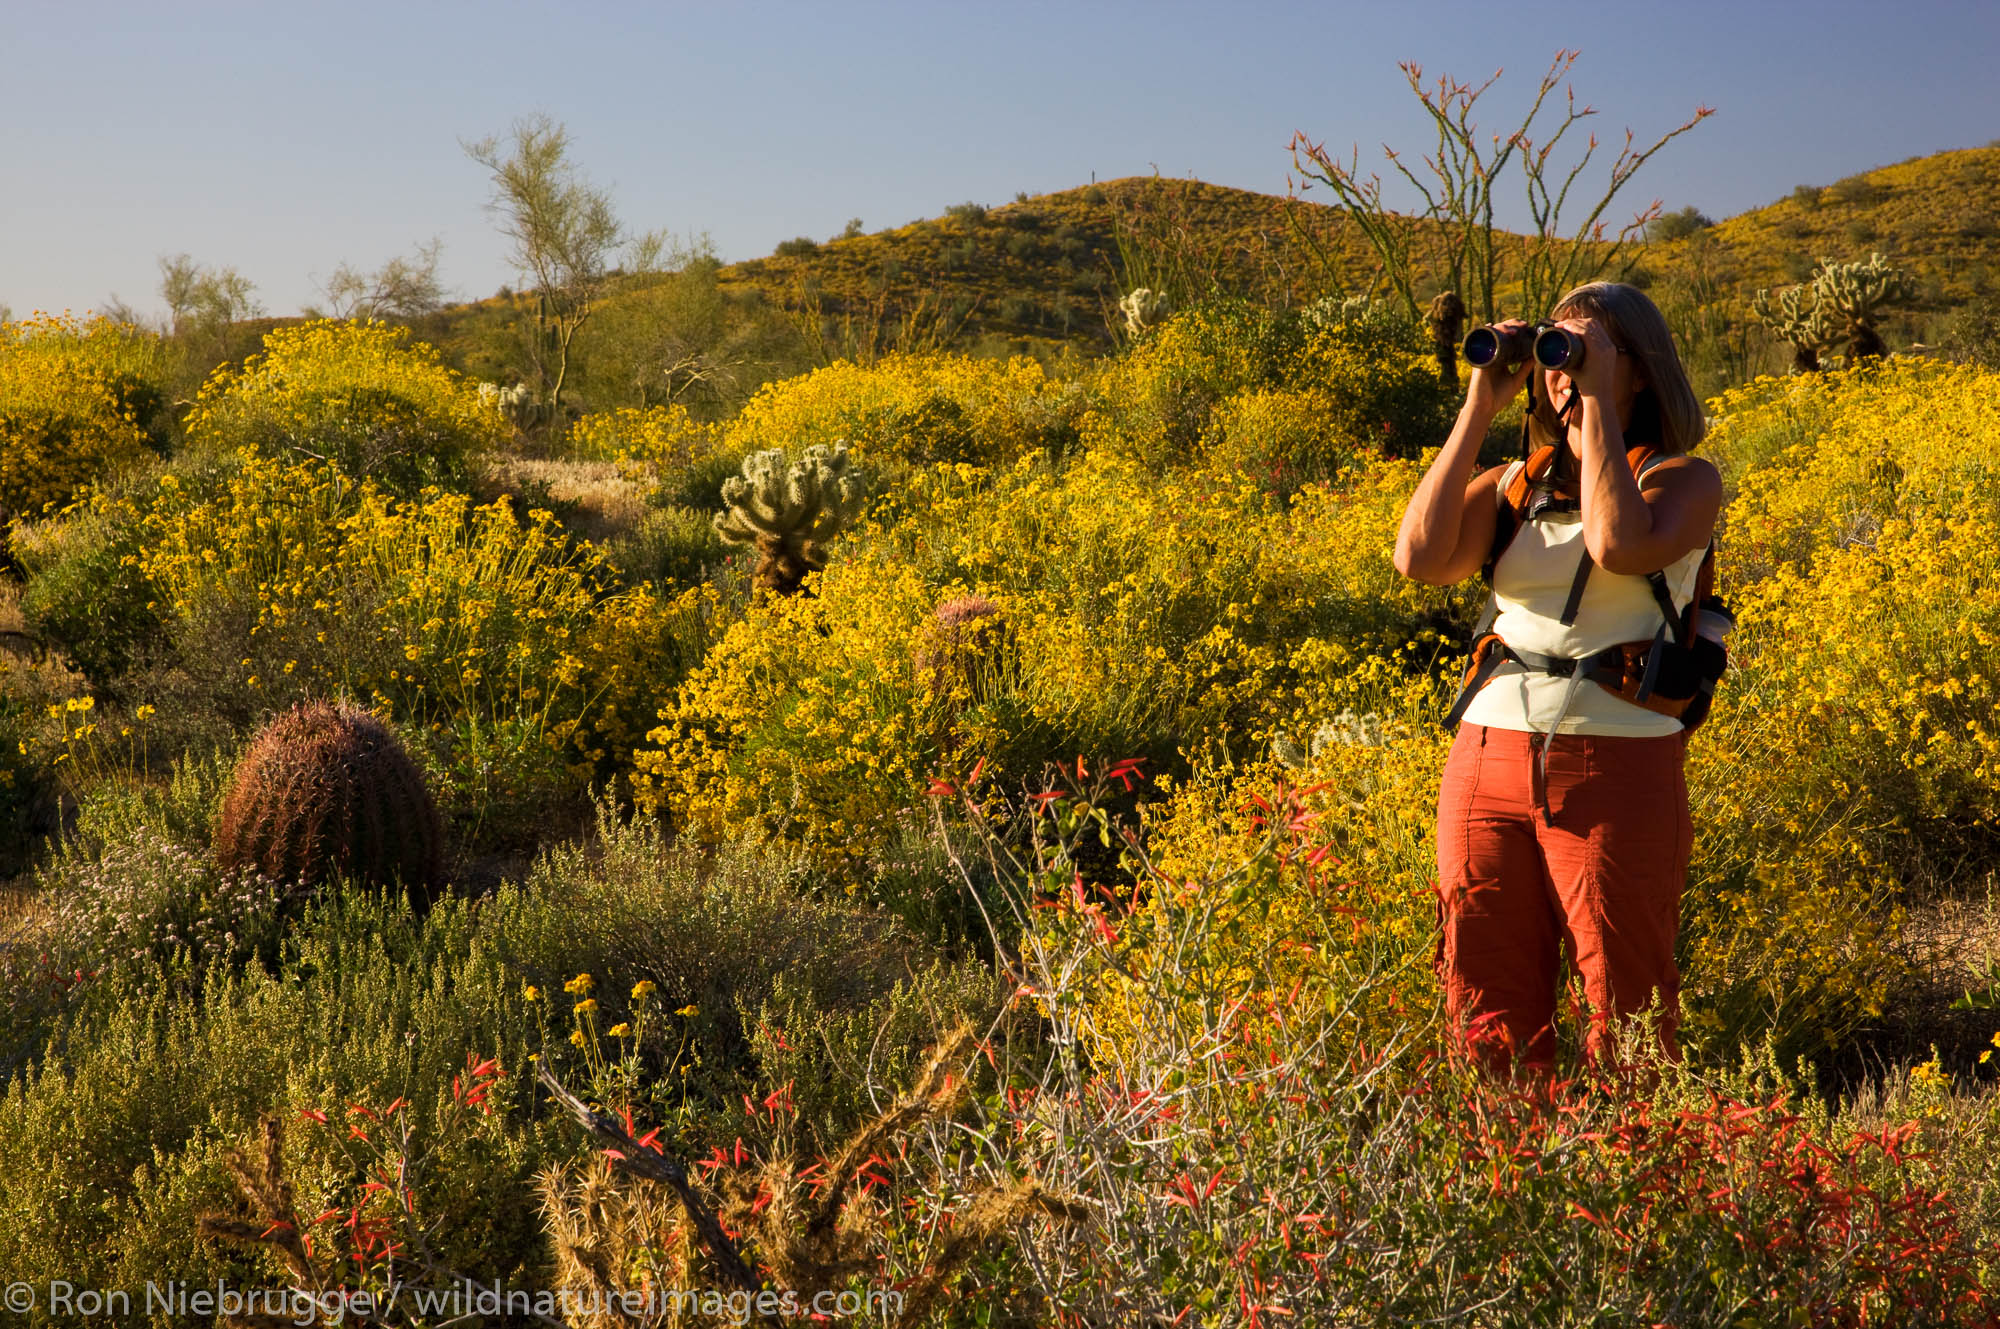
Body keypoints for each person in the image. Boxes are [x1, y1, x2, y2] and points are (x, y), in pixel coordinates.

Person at [1392, 281, 1721, 1076]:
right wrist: (1480, 403)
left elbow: (1616, 544)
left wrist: (1598, 407)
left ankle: (1636, 1183)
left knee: (1627, 1006)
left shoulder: (1681, 481)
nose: (1561, 371)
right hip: (1486, 759)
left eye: (1584, 352)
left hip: (1617, 761)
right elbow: (1418, 558)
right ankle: (1509, 1176)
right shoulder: (1515, 484)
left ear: (1639, 371)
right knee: (1483, 999)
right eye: (1553, 352)